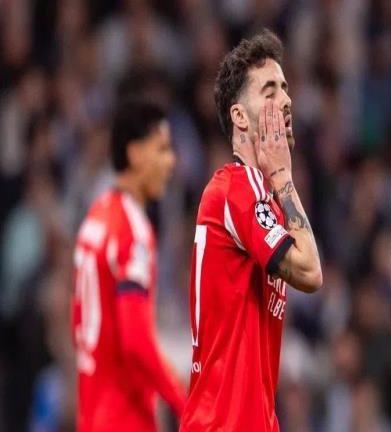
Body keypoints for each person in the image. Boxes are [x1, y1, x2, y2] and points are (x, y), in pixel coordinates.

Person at [180, 29, 323, 431]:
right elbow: (311, 272)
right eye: (270, 91)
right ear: (240, 116)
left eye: (286, 89)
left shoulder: (258, 199)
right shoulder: (238, 188)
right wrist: (283, 176)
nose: (287, 101)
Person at [71, 99, 187, 432]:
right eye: (162, 149)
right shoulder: (133, 230)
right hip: (125, 418)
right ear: (135, 154)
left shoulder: (95, 219)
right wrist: (184, 403)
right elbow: (135, 342)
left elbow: (78, 320)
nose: (171, 161)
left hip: (90, 415)